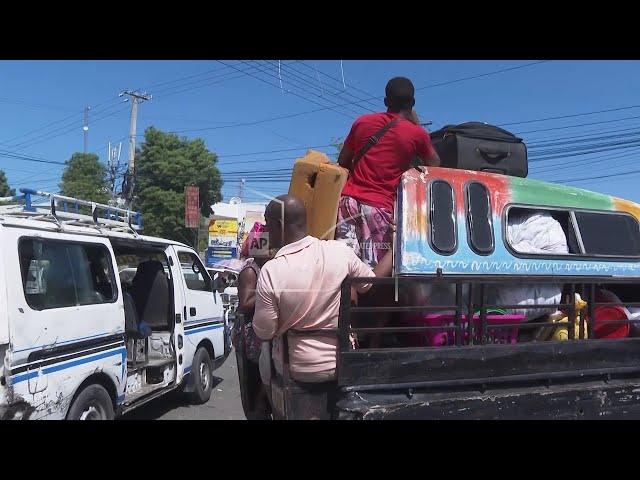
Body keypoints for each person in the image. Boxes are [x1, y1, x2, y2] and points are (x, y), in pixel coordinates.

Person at [252, 195, 393, 384]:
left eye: (267, 224)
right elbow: (370, 283)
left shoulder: (271, 271)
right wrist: (395, 249)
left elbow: (264, 332)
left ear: (279, 225)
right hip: (341, 366)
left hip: (296, 370)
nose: (266, 231)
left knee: (264, 353)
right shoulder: (340, 252)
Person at [335, 76, 440, 268]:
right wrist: (416, 124)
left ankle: (345, 299)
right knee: (373, 275)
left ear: (385, 101)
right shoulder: (417, 134)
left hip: (347, 204)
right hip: (378, 208)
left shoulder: (361, 123)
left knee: (345, 270)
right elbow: (435, 165)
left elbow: (342, 160)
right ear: (413, 103)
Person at [232, 222, 274, 419]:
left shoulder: (265, 267)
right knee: (256, 377)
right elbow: (246, 302)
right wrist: (270, 291)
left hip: (259, 330)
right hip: (250, 334)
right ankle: (256, 410)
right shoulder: (251, 270)